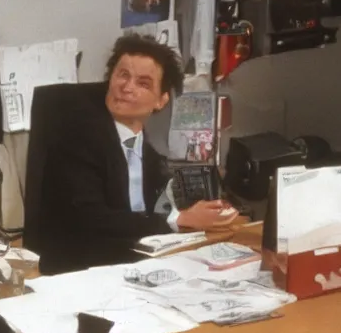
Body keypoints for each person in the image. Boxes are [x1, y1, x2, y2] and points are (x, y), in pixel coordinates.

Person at [37, 35, 237, 274]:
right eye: (122, 75)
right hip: (85, 269)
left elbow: (149, 205)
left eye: (143, 83)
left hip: (136, 262)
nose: (127, 87)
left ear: (161, 100)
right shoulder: (77, 140)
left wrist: (201, 208)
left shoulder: (145, 149)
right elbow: (92, 219)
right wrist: (178, 220)